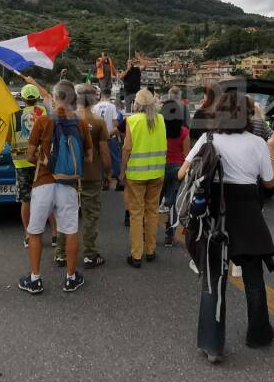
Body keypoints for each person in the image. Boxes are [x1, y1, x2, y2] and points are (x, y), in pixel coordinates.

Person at [179, 89, 274, 363]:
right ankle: (258, 333)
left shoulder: (208, 138)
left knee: (214, 278)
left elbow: (182, 173)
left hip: (215, 210)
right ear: (247, 114)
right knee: (253, 277)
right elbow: (269, 181)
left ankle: (212, 344)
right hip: (247, 210)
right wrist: (272, 150)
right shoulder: (258, 142)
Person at [18, 80, 93, 294]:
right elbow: (88, 158)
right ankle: (70, 278)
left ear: (55, 96)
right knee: (70, 231)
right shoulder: (79, 123)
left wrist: (44, 162)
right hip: (68, 185)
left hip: (43, 182)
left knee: (35, 231)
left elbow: (30, 155)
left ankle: (35, 279)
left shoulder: (42, 121)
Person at [13, 77, 61, 259]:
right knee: (49, 197)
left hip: (22, 162)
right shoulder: (44, 112)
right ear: (35, 98)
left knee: (26, 199)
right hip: (42, 161)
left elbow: (9, 137)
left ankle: (28, 235)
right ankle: (55, 234)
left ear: (23, 98)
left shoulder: (14, 115)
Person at [122, 89, 167, 267]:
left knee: (136, 214)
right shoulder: (161, 119)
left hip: (136, 175)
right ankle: (150, 250)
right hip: (157, 173)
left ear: (137, 105)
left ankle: (137, 255)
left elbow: (127, 148)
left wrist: (122, 171)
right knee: (152, 211)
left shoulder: (132, 121)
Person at [75, 83, 111, 268]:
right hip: (92, 173)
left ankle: (62, 254)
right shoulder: (98, 122)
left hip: (70, 175)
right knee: (90, 215)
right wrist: (108, 173)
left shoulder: (68, 119)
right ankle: (89, 254)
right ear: (95, 98)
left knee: (67, 214)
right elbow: (104, 152)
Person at [160, 95, 190, 247]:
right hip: (177, 168)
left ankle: (148, 232)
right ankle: (169, 235)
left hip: (161, 167)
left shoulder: (160, 129)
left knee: (155, 201)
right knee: (173, 203)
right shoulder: (184, 132)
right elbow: (186, 155)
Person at [92, 91, 121, 190]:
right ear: (110, 96)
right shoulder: (112, 106)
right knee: (112, 160)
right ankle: (111, 181)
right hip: (109, 136)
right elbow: (115, 124)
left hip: (98, 137)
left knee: (100, 160)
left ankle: (100, 181)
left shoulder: (95, 107)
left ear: (100, 96)